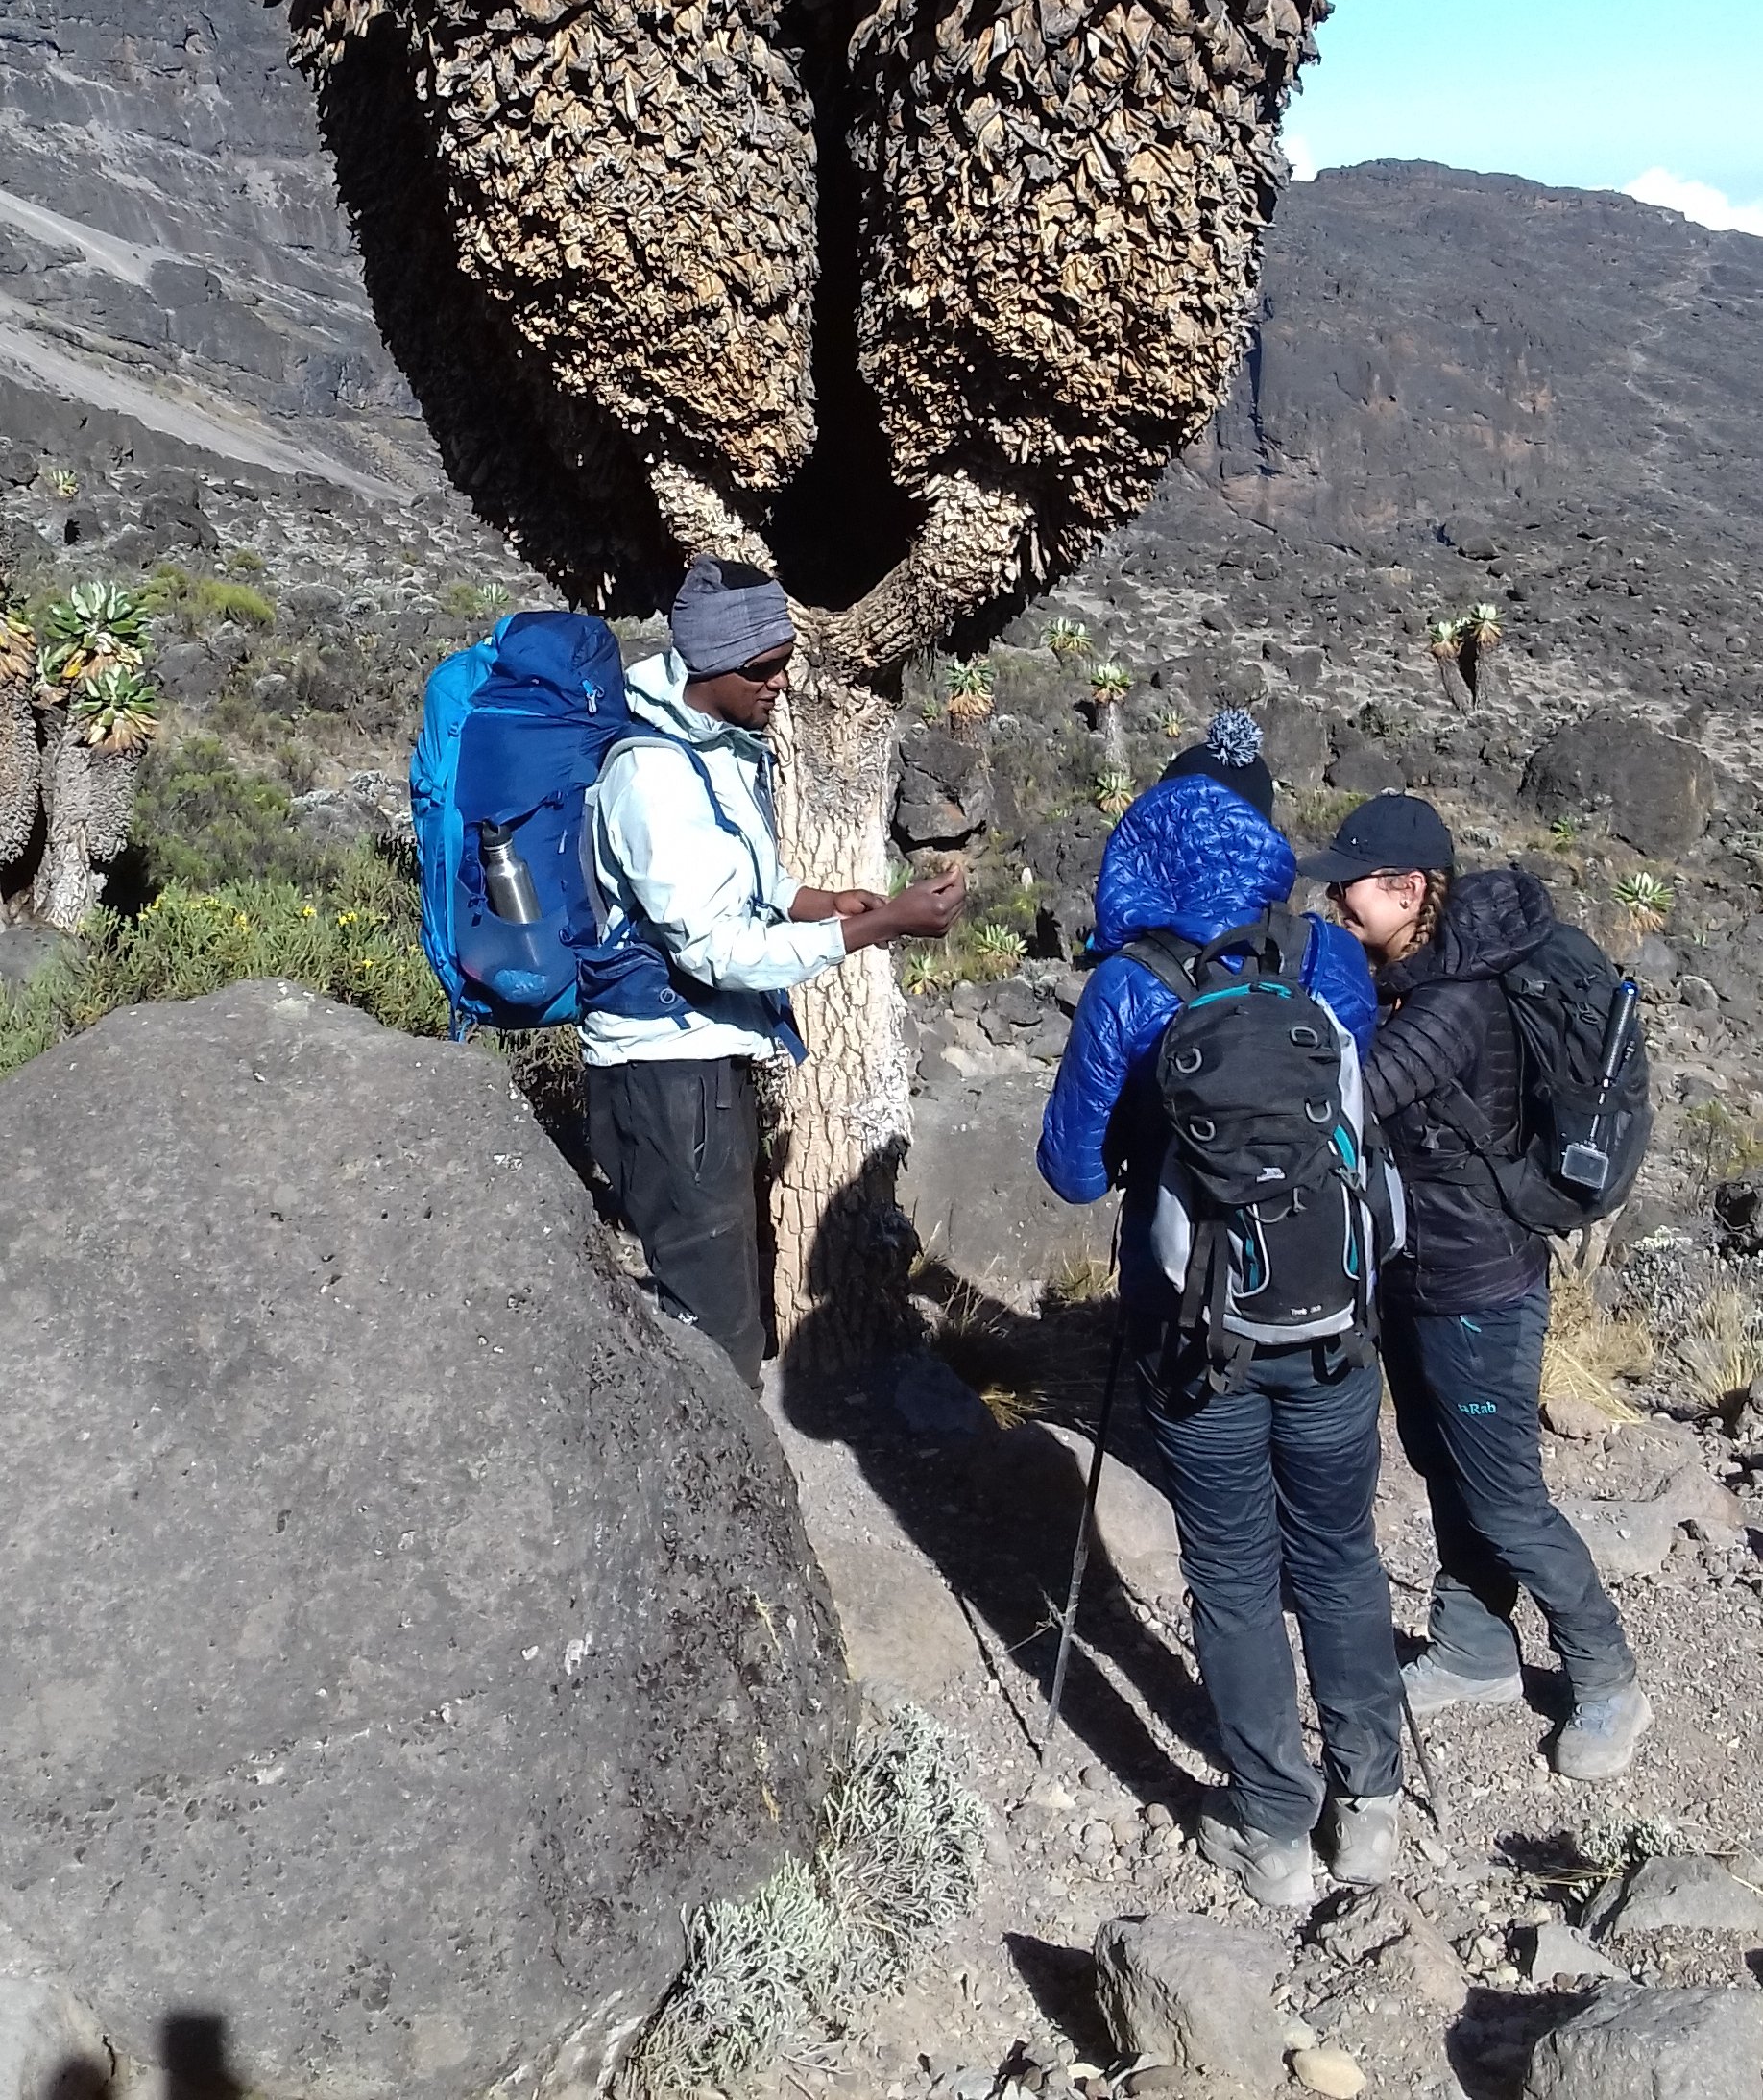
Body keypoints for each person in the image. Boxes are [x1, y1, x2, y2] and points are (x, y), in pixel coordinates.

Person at [1038, 711, 1407, 1908]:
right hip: (1340, 1320)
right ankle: (1375, 1812)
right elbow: (1361, 1110)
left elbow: (1073, 1172)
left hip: (1195, 1336)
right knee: (1342, 1558)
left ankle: (1273, 1833)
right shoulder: (1321, 955)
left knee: (1237, 1575)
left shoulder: (1131, 984)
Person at [1299, 792, 1651, 1782]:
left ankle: (1608, 1677)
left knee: (1505, 1498)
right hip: (1420, 1273)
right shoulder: (1413, 977)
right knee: (1445, 1468)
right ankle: (1473, 1648)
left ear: (1409, 889)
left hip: (1480, 1285)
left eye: (1351, 885)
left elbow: (1351, 1094)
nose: (1336, 902)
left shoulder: (1452, 1003)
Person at [579, 555, 962, 1388]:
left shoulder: (710, 744)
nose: (782, 682)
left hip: (698, 1067)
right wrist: (883, 928)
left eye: (784, 660)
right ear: (709, 665)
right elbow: (715, 950)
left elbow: (731, 876)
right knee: (715, 1339)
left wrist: (820, 901)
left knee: (722, 1307)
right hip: (663, 1075)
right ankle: (717, 1503)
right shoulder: (652, 776)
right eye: (764, 667)